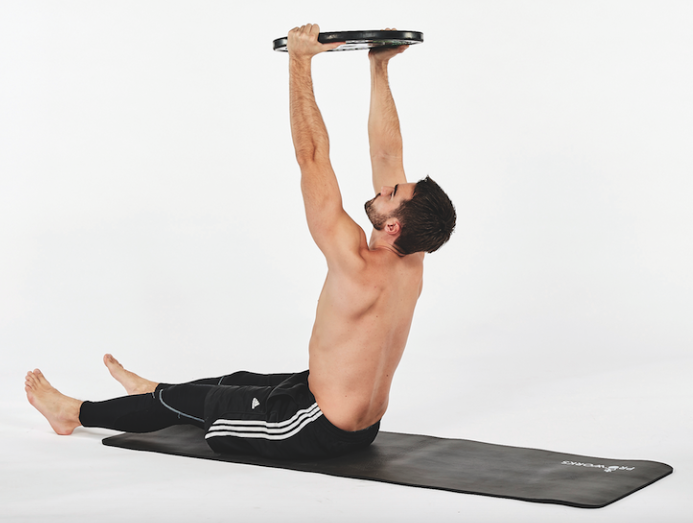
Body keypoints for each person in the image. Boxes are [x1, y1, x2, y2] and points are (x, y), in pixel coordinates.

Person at [24, 24, 456, 460]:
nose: (386, 188)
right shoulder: (411, 258)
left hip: (310, 426)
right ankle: (151, 389)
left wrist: (299, 61)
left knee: (201, 406)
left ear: (394, 226)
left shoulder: (355, 263)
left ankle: (74, 413)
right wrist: (378, 66)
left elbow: (311, 157)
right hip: (361, 426)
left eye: (393, 195)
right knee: (237, 379)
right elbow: (387, 154)